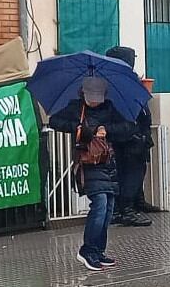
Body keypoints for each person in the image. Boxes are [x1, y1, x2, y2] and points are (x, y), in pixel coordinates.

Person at [48, 77, 137, 271]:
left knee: (108, 208)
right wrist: (79, 128)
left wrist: (108, 130)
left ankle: (98, 250)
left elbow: (129, 127)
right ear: (84, 94)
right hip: (89, 163)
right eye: (91, 98)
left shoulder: (111, 108)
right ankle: (87, 250)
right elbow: (54, 121)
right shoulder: (76, 108)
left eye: (98, 98)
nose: (95, 102)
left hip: (109, 162)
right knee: (100, 204)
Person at [104, 46, 154, 227]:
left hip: (129, 135)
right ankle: (126, 210)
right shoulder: (120, 81)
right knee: (130, 173)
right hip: (129, 136)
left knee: (129, 173)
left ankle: (127, 206)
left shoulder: (112, 80)